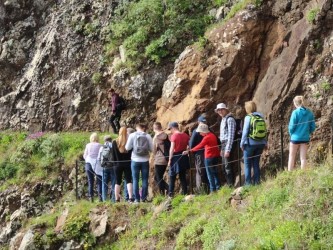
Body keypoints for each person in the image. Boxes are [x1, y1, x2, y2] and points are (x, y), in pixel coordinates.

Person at [184, 123, 221, 193]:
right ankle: (218, 187)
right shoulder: (212, 135)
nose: (200, 134)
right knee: (215, 172)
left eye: (200, 132)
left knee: (209, 174)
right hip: (215, 156)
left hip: (209, 157)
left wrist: (189, 151)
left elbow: (200, 146)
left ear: (204, 132)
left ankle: (213, 190)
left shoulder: (206, 138)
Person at [240, 101, 267, 185]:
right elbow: (264, 130)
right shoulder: (261, 116)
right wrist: (265, 142)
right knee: (256, 162)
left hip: (250, 144)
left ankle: (248, 184)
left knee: (247, 164)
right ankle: (257, 182)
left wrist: (242, 143)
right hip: (261, 143)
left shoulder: (248, 117)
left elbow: (245, 132)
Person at [125, 124, 153, 203]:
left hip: (135, 160)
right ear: (143, 128)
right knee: (144, 179)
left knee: (135, 179)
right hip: (145, 161)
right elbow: (152, 149)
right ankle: (143, 198)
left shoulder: (132, 135)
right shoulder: (148, 136)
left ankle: (137, 199)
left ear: (136, 128)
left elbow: (127, 148)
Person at [288, 96, 316, 171]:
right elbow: (313, 127)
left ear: (295, 103)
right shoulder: (310, 113)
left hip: (295, 138)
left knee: (291, 156)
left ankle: (289, 174)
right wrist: (307, 132)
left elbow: (291, 126)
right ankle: (303, 174)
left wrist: (291, 134)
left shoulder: (295, 112)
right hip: (305, 138)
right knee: (303, 158)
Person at [215, 103, 237, 187]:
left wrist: (227, 149)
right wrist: (222, 149)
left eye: (221, 109)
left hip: (227, 144)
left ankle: (231, 185)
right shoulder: (223, 119)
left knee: (227, 166)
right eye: (218, 110)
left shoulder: (229, 119)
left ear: (225, 109)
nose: (220, 111)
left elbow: (231, 136)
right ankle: (229, 184)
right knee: (224, 166)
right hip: (223, 144)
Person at [168, 122, 190, 197]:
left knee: (172, 176)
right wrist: (187, 151)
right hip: (183, 156)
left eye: (170, 129)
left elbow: (172, 148)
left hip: (175, 156)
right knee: (182, 176)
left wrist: (170, 159)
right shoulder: (185, 135)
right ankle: (185, 192)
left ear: (173, 128)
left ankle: (170, 194)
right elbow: (189, 145)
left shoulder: (174, 136)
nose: (170, 131)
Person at [112, 127, 134, 202]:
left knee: (117, 181)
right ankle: (131, 198)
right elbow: (131, 153)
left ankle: (117, 199)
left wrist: (115, 164)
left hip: (117, 164)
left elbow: (113, 155)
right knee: (129, 180)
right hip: (128, 163)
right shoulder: (129, 142)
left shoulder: (114, 142)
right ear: (126, 133)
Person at [189, 115, 209, 193]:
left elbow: (191, 144)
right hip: (207, 152)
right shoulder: (208, 129)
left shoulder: (196, 131)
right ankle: (206, 189)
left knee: (200, 171)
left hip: (199, 153)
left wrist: (193, 151)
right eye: (203, 122)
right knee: (205, 170)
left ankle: (201, 191)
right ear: (199, 122)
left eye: (204, 122)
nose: (204, 123)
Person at [83, 133, 102, 202]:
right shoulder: (100, 145)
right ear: (97, 138)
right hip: (97, 165)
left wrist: (88, 159)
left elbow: (84, 155)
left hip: (88, 164)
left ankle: (91, 198)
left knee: (90, 181)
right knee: (99, 180)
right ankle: (100, 197)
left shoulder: (88, 145)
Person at [97, 135, 116, 202]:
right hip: (112, 166)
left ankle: (104, 199)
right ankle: (113, 199)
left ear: (104, 140)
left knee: (104, 183)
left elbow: (98, 158)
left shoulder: (102, 147)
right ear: (111, 139)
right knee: (114, 183)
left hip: (104, 167)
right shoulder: (113, 146)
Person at [152, 122, 169, 195]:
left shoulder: (156, 138)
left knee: (157, 178)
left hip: (159, 159)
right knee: (159, 177)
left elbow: (154, 150)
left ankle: (166, 191)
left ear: (154, 129)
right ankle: (167, 190)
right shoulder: (166, 135)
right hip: (166, 158)